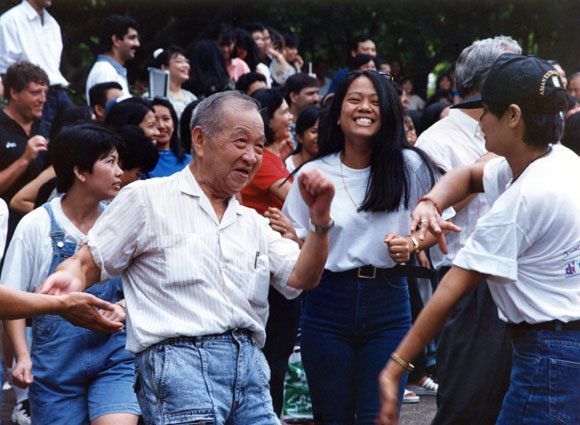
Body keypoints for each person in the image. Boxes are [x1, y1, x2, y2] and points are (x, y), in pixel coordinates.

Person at [38, 91, 335, 425]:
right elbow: (86, 262)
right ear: (200, 140)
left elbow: (302, 277)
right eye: (241, 142)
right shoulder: (147, 198)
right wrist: (69, 278)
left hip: (251, 371)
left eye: (258, 145)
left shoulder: (252, 222)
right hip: (180, 368)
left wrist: (321, 222)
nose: (252, 157)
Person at [378, 53, 576, 425]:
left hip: (549, 355)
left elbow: (450, 290)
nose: (480, 122)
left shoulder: (523, 200)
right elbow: (470, 175)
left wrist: (394, 369)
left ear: (513, 116)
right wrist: (430, 203)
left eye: (486, 111)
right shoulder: (556, 160)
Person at [283, 70, 438, 425]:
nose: (364, 107)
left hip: (389, 305)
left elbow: (435, 223)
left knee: (380, 416)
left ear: (387, 112)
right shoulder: (313, 173)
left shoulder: (410, 165)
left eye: (374, 100)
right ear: (337, 114)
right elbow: (296, 242)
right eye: (354, 99)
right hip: (326, 305)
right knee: (330, 417)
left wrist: (412, 243)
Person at [3, 123, 141, 425]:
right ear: (80, 172)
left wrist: (122, 310)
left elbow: (142, 288)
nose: (120, 171)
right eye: (110, 162)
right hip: (55, 369)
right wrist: (22, 358)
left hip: (115, 357)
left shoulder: (121, 221)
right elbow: (11, 300)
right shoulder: (36, 225)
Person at [414, 36, 521, 425]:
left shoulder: (523, 132)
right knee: (466, 407)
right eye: (516, 71)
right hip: (466, 290)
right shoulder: (437, 140)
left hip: (519, 283)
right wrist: (496, 153)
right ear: (489, 80)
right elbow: (434, 214)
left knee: (514, 407)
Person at [0, 62, 51, 242]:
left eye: (45, 92)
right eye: (35, 92)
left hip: (42, 229)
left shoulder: (48, 129)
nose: (43, 99)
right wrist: (24, 159)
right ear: (14, 93)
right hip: (6, 230)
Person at [0, 0, 72, 125]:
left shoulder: (52, 24)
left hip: (58, 93)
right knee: (39, 141)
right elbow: (5, 72)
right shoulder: (9, 21)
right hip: (30, 98)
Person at [241, 88, 294, 215]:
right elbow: (300, 203)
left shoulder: (273, 156)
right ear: (269, 121)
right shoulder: (261, 160)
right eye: (285, 112)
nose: (291, 116)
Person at [85, 15, 140, 101]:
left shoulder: (112, 71)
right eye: (132, 38)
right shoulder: (105, 73)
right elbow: (111, 112)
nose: (137, 44)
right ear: (116, 40)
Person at [147, 97, 190, 178]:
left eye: (166, 119)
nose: (161, 126)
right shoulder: (142, 164)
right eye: (155, 120)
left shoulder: (190, 162)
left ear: (174, 123)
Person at [151, 46, 197, 120]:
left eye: (186, 62)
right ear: (165, 67)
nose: (186, 65)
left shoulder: (191, 97)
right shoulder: (152, 96)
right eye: (179, 61)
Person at [285, 105, 320, 173]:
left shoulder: (328, 165)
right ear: (299, 137)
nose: (319, 136)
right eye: (314, 131)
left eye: (322, 131)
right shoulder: (288, 165)